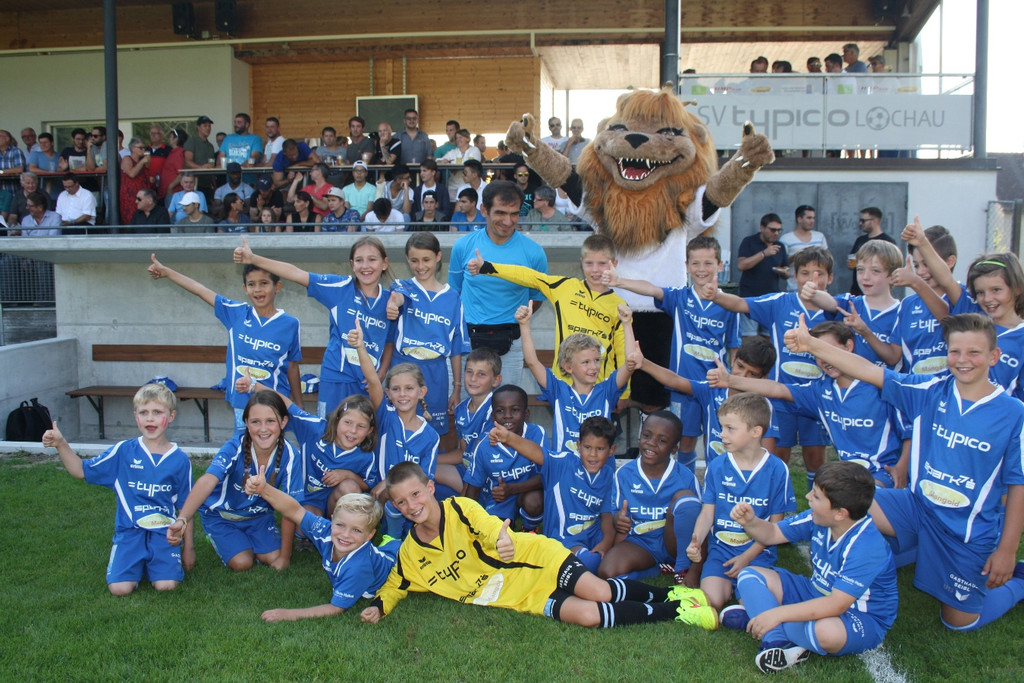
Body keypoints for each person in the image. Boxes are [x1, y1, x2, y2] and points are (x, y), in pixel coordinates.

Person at [789, 312, 1024, 632]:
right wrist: (810, 343)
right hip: (917, 507)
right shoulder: (930, 390)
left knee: (959, 623)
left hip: (965, 530)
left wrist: (1007, 551)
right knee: (847, 501)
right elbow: (869, 370)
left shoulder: (1013, 414)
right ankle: (876, 563)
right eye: (954, 351)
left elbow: (1018, 483)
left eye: (974, 352)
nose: (962, 360)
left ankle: (1019, 581)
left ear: (993, 356)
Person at [360, 461, 715, 629]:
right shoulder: (410, 553)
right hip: (521, 596)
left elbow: (489, 527)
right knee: (589, 615)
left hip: (537, 559)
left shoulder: (461, 509)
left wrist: (502, 535)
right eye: (401, 502)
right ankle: (680, 611)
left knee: (601, 593)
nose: (411, 506)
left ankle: (673, 597)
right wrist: (380, 606)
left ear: (430, 488)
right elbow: (396, 585)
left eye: (415, 494)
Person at [721, 461, 897, 674]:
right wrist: (750, 521)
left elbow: (836, 605)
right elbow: (772, 534)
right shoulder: (817, 519)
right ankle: (776, 637)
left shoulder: (867, 547)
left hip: (858, 616)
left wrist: (776, 614)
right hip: (814, 593)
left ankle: (760, 617)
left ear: (840, 513)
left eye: (816, 496)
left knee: (826, 633)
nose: (808, 498)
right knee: (750, 575)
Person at [710, 321, 910, 488]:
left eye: (829, 351)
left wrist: (902, 467)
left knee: (855, 506)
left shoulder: (881, 386)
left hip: (883, 474)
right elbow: (779, 389)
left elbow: (911, 430)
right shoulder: (820, 391)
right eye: (818, 353)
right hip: (849, 476)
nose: (825, 359)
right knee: (826, 508)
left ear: (849, 347)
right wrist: (730, 381)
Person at [602, 235, 740, 470]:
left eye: (708, 263)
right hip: (682, 386)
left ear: (719, 265)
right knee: (685, 441)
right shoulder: (680, 297)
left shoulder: (729, 304)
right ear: (686, 266)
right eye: (695, 263)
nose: (701, 269)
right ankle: (688, 487)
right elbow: (651, 289)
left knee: (718, 442)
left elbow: (734, 347)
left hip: (716, 386)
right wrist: (620, 281)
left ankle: (717, 489)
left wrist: (733, 384)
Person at [40, 383, 194, 595]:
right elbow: (80, 470)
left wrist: (189, 549)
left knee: (166, 586)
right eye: (144, 413)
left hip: (164, 533)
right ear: (135, 416)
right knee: (119, 589)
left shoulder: (180, 460)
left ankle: (156, 564)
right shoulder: (123, 452)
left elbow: (187, 507)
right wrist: (61, 443)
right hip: (129, 533)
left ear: (172, 415)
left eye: (157, 412)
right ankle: (134, 562)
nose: (150, 419)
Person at [702, 246, 835, 488]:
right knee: (777, 456)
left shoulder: (834, 310)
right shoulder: (780, 302)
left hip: (817, 396)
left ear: (830, 278)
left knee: (816, 458)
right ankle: (775, 504)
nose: (811, 279)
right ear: (795, 277)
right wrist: (717, 295)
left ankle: (816, 509)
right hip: (779, 396)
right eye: (805, 273)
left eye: (820, 274)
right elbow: (741, 304)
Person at [234, 235, 395, 417]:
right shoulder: (340, 288)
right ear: (352, 264)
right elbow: (296, 273)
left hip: (368, 384)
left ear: (384, 263)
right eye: (359, 260)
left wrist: (381, 373)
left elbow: (389, 341)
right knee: (329, 433)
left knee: (364, 437)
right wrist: (254, 259)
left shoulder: (391, 301)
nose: (365, 266)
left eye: (372, 259)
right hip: (336, 379)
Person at [147, 254, 302, 429]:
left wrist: (298, 405)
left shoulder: (290, 323)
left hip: (275, 403)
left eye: (264, 283)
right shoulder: (236, 313)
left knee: (274, 453)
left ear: (277, 286)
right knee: (243, 451)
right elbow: (199, 289)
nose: (257, 289)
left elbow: (292, 366)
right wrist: (167, 272)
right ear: (245, 288)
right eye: (252, 284)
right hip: (242, 402)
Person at [471, 233, 627, 393]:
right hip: (564, 386)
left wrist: (623, 393)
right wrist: (488, 267)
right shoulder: (565, 287)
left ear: (614, 264)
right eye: (589, 263)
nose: (595, 270)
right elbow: (529, 276)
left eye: (602, 263)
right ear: (581, 263)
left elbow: (623, 352)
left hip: (602, 388)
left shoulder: (619, 305)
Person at [167, 392, 304, 570]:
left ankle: (253, 540)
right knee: (242, 563)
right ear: (246, 423)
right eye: (255, 422)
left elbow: (290, 508)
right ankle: (217, 535)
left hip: (258, 516)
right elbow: (207, 481)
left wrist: (285, 557)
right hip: (222, 516)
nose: (263, 429)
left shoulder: (291, 456)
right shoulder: (234, 447)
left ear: (283, 422)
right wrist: (182, 519)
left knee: (274, 557)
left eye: (270, 421)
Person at [684, 393, 795, 610]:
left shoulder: (777, 469)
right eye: (722, 427)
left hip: (758, 552)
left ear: (756, 431)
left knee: (752, 600)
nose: (722, 435)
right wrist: (695, 542)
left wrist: (747, 557)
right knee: (712, 600)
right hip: (721, 551)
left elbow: (775, 527)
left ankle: (747, 598)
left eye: (730, 429)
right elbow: (707, 513)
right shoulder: (716, 466)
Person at [245, 465, 398, 622]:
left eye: (356, 530)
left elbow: (337, 607)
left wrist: (287, 614)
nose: (345, 535)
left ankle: (396, 524)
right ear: (331, 520)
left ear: (370, 535)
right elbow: (295, 511)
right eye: (340, 525)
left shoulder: (359, 567)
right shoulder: (325, 531)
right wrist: (264, 489)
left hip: (400, 561)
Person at [449, 181, 548, 389]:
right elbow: (454, 294)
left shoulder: (534, 253)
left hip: (511, 344)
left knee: (506, 407)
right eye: (500, 213)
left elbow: (536, 299)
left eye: (514, 214)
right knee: (465, 408)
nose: (508, 221)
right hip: (468, 341)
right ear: (484, 210)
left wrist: (514, 320)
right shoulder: (462, 246)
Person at [348, 319, 441, 538]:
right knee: (390, 498)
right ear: (388, 394)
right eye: (396, 389)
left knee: (420, 502)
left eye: (409, 388)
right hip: (379, 491)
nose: (402, 394)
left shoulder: (431, 436)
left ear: (422, 392)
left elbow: (426, 477)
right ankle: (391, 537)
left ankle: (415, 531)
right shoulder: (386, 417)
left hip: (410, 495)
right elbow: (372, 380)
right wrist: (361, 347)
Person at [633, 335, 777, 471]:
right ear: (733, 359)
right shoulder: (712, 391)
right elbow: (676, 380)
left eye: (752, 374)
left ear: (763, 378)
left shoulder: (763, 407)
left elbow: (767, 457)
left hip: (747, 481)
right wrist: (644, 363)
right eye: (740, 366)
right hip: (714, 479)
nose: (742, 376)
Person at [493, 416, 617, 572]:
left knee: (620, 542)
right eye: (587, 447)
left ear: (611, 450)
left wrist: (606, 542)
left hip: (593, 536)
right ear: (578, 446)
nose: (593, 454)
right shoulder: (563, 464)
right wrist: (509, 438)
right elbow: (537, 452)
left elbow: (607, 516)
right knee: (590, 563)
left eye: (600, 449)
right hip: (565, 541)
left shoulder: (608, 476)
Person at [598, 410, 702, 587]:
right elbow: (614, 513)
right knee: (606, 572)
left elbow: (700, 524)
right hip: (642, 542)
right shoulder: (624, 474)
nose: (651, 444)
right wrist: (618, 519)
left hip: (675, 543)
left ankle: (682, 567)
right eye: (646, 435)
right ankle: (658, 568)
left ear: (674, 448)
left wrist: (696, 569)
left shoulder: (686, 477)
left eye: (662, 441)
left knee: (686, 499)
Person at [385, 232, 470, 442]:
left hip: (436, 373)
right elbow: (397, 299)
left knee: (430, 433)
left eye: (426, 260)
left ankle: (426, 474)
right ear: (407, 259)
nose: (420, 266)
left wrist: (457, 388)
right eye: (414, 260)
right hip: (403, 366)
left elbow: (456, 348)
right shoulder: (404, 286)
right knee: (397, 429)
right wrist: (392, 305)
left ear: (438, 257)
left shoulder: (453, 298)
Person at [517, 303, 634, 454]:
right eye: (586, 362)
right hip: (564, 470)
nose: (594, 367)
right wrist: (524, 324)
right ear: (568, 367)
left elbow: (630, 363)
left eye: (597, 360)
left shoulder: (606, 390)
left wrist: (626, 323)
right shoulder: (558, 391)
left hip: (599, 471)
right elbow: (532, 362)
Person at [804, 239, 903, 368]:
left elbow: (892, 358)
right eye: (860, 269)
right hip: (850, 385)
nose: (865, 277)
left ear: (893, 276)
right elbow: (831, 303)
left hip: (882, 386)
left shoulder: (902, 311)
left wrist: (865, 331)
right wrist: (814, 294)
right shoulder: (851, 303)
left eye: (875, 271)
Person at [462, 384, 545, 531]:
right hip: (500, 498)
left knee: (534, 502)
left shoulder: (537, 434)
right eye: (500, 411)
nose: (507, 416)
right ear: (493, 417)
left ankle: (529, 528)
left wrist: (512, 489)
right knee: (497, 534)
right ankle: (508, 522)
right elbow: (473, 487)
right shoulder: (484, 446)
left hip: (528, 491)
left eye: (515, 410)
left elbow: (546, 475)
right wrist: (465, 521)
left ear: (526, 414)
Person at [890, 220, 966, 375]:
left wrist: (916, 283)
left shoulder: (963, 297)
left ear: (950, 261)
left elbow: (951, 323)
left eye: (927, 264)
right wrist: (865, 331)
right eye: (916, 266)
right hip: (918, 392)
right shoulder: (908, 304)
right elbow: (893, 356)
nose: (922, 272)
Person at [439, 346, 503, 493]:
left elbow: (480, 460)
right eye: (469, 372)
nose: (473, 379)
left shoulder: (496, 411)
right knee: (422, 469)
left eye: (482, 374)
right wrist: (427, 459)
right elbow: (463, 453)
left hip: (486, 479)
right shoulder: (461, 409)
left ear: (496, 380)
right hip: (466, 469)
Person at [962, 253, 1024, 399]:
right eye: (980, 293)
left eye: (996, 290)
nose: (988, 299)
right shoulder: (972, 329)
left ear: (1017, 288)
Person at [736, 213, 789, 335]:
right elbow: (741, 265)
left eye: (779, 230)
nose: (776, 233)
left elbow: (787, 270)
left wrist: (784, 272)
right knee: (749, 336)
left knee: (769, 336)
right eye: (773, 230)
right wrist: (764, 254)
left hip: (771, 299)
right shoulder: (749, 242)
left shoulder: (780, 246)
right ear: (762, 227)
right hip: (750, 298)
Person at [847, 207, 896, 295]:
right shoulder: (860, 240)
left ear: (875, 221)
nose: (860, 223)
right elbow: (852, 260)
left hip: (878, 291)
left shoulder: (888, 242)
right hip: (857, 290)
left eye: (863, 220)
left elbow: (891, 266)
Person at [779, 205, 827, 291]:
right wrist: (799, 255)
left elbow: (827, 260)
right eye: (809, 218)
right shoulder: (786, 239)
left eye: (813, 218)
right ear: (799, 219)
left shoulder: (820, 236)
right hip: (795, 288)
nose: (812, 221)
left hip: (818, 288)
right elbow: (782, 264)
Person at [438, 128, 481, 200]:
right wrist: (443, 161)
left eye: (460, 137)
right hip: (453, 187)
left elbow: (474, 165)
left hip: (470, 186)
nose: (458, 140)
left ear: (467, 139)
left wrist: (455, 168)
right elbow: (438, 161)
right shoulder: (453, 152)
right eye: (456, 138)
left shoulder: (474, 150)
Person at [119, 137, 154, 224]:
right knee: (131, 219)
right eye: (140, 148)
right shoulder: (127, 159)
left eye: (144, 148)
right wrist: (142, 162)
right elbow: (132, 173)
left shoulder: (143, 161)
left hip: (143, 194)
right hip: (130, 195)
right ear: (133, 148)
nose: (143, 150)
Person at [183, 115, 217, 196]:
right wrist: (201, 168)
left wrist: (214, 185)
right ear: (198, 127)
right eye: (205, 126)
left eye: (209, 126)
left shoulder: (210, 146)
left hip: (207, 185)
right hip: (194, 184)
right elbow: (188, 161)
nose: (208, 128)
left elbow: (211, 166)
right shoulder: (192, 141)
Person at [26, 133, 60, 200]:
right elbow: (32, 169)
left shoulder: (59, 156)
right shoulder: (35, 154)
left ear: (52, 143)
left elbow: (63, 169)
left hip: (58, 192)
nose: (43, 145)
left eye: (45, 142)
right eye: (41, 143)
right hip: (41, 194)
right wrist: (49, 172)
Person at [157, 129, 187, 202]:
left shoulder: (179, 153)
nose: (169, 139)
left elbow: (181, 173)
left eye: (171, 136)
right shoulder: (172, 152)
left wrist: (170, 187)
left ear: (176, 139)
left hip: (174, 193)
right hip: (168, 192)